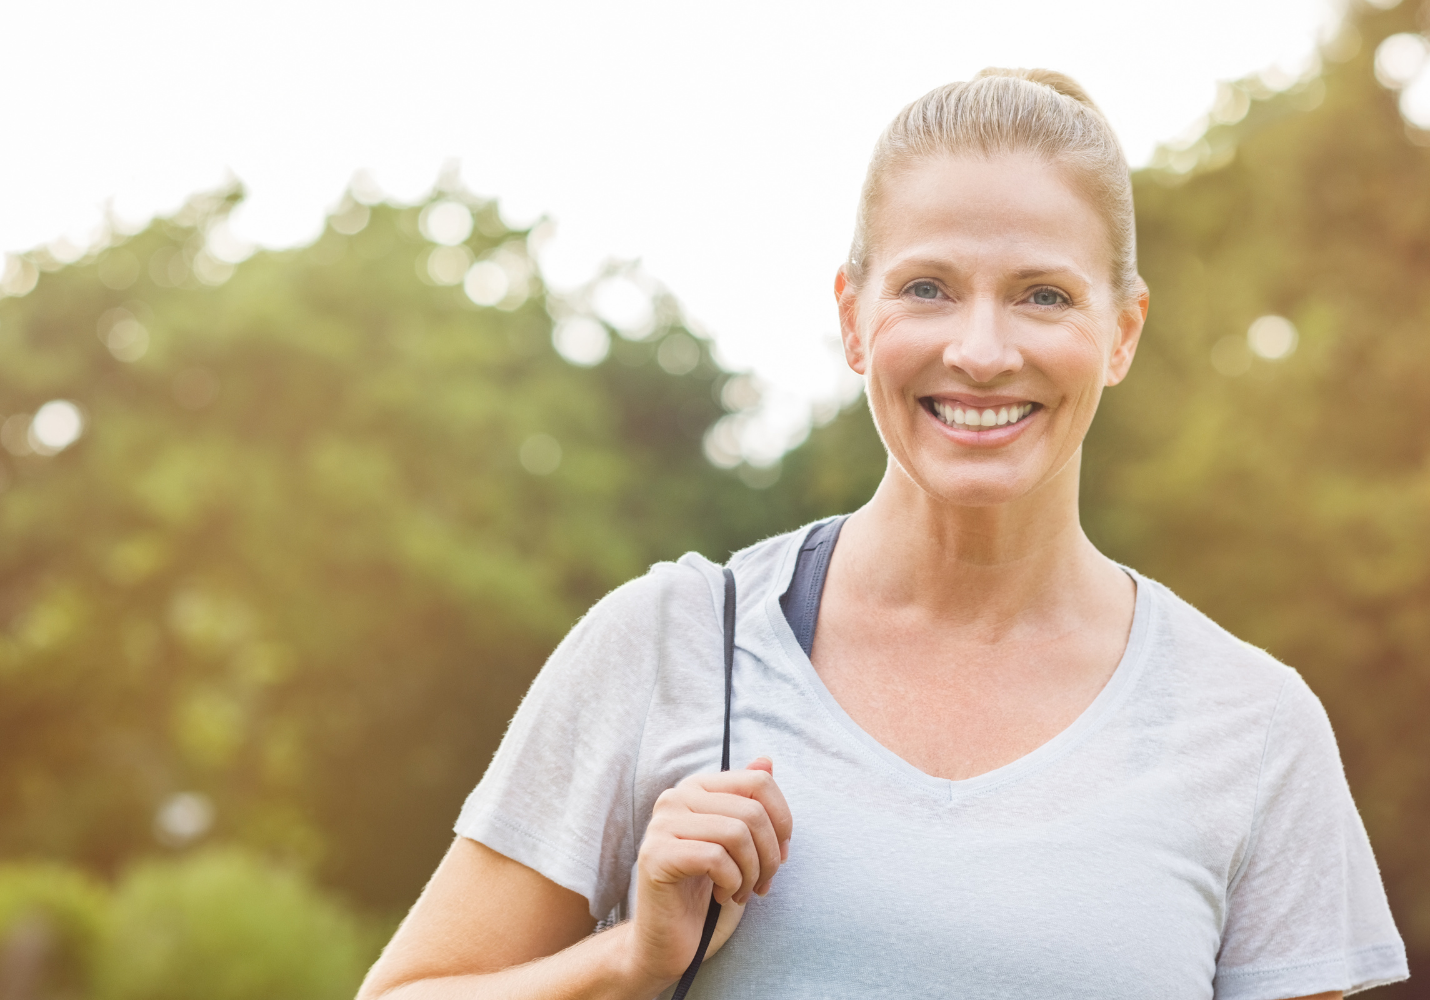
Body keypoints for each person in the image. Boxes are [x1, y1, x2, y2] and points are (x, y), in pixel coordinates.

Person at [356, 68, 1408, 1000]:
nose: (982, 348)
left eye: (1042, 294)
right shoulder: (668, 646)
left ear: (1120, 330)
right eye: (926, 288)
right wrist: (626, 965)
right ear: (853, 317)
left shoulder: (1252, 726)